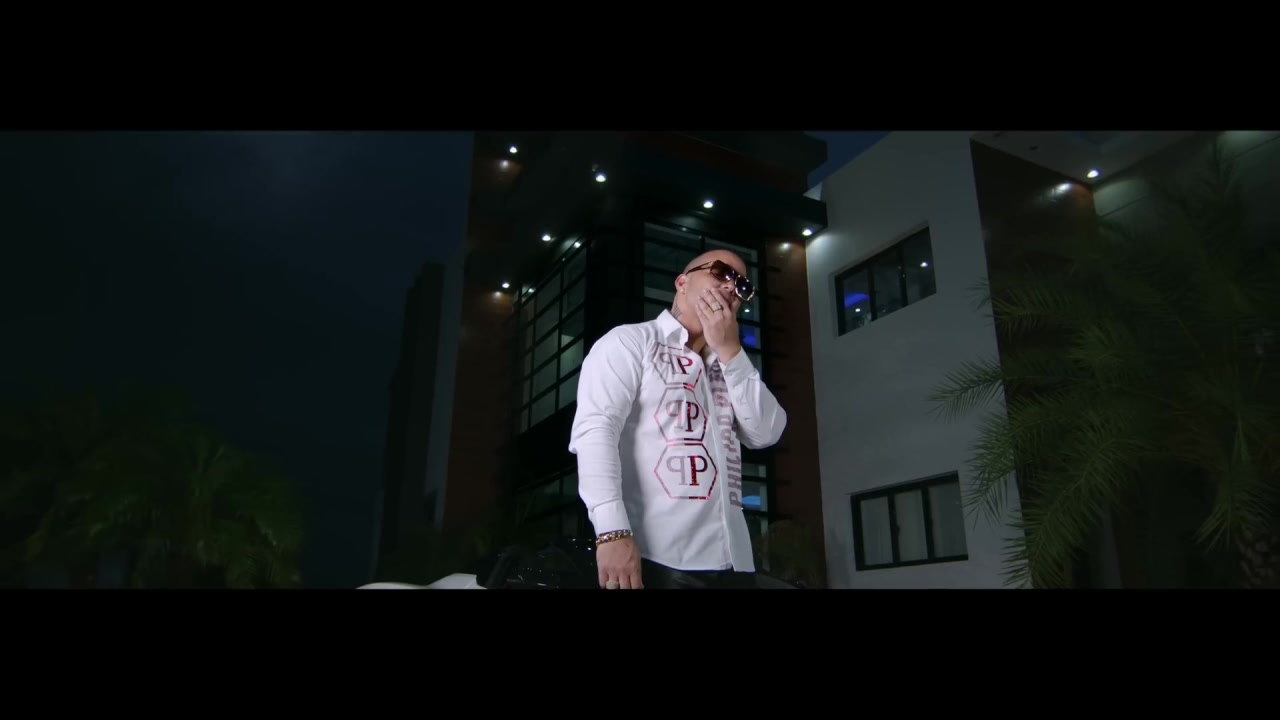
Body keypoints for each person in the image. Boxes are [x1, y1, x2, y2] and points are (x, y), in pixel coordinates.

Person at [568, 248, 787, 589]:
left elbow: (766, 433)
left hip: (735, 564)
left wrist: (731, 352)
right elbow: (596, 432)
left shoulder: (730, 366)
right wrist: (611, 531)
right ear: (682, 282)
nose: (731, 287)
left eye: (742, 286)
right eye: (721, 272)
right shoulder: (631, 342)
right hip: (656, 560)